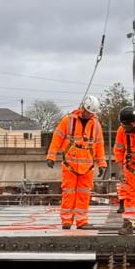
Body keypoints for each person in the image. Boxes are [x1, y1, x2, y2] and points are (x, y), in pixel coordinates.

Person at [48, 95, 107, 229]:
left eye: (91, 113)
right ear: (82, 108)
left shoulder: (96, 125)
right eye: (87, 111)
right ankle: (66, 220)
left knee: (84, 194)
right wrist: (51, 156)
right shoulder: (68, 121)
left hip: (87, 167)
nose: (89, 115)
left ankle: (82, 221)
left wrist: (102, 164)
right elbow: (57, 138)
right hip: (70, 165)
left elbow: (99, 145)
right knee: (68, 193)